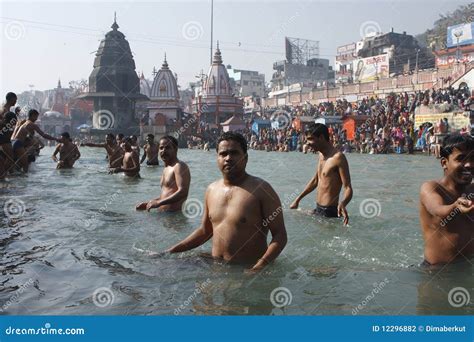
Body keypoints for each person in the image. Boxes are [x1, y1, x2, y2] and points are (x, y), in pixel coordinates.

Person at [165, 132, 287, 271]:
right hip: (215, 267)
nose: (228, 158)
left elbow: (280, 235)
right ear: (217, 158)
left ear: (245, 158)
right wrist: (171, 251)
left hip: (246, 270)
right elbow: (205, 231)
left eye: (234, 153)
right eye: (223, 154)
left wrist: (259, 266)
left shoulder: (262, 190)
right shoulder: (211, 189)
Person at [419, 134, 473, 265]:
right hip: (437, 273)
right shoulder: (431, 188)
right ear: (444, 163)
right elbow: (437, 209)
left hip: (468, 267)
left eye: (473, 158)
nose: (469, 164)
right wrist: (455, 206)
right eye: (461, 158)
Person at [290, 123, 353, 225]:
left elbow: (348, 187)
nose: (308, 143)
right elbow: (316, 180)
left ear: (321, 137)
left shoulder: (338, 158)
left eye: (310, 139)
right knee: (291, 215)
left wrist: (343, 203)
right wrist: (298, 199)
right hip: (318, 209)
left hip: (329, 213)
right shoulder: (321, 155)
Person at [136, 135, 190, 211]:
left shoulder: (179, 166)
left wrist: (159, 203)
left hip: (174, 218)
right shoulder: (166, 168)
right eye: (161, 148)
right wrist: (149, 203)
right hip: (164, 216)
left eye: (167, 148)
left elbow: (183, 192)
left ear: (175, 149)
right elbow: (167, 194)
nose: (163, 151)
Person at [0, 92, 18, 176]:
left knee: (8, 156)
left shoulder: (8, 109)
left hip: (5, 136)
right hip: (2, 136)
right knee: (10, 156)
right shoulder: (4, 109)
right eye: (15, 99)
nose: (16, 101)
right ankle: (4, 173)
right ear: (11, 99)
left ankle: (6, 172)